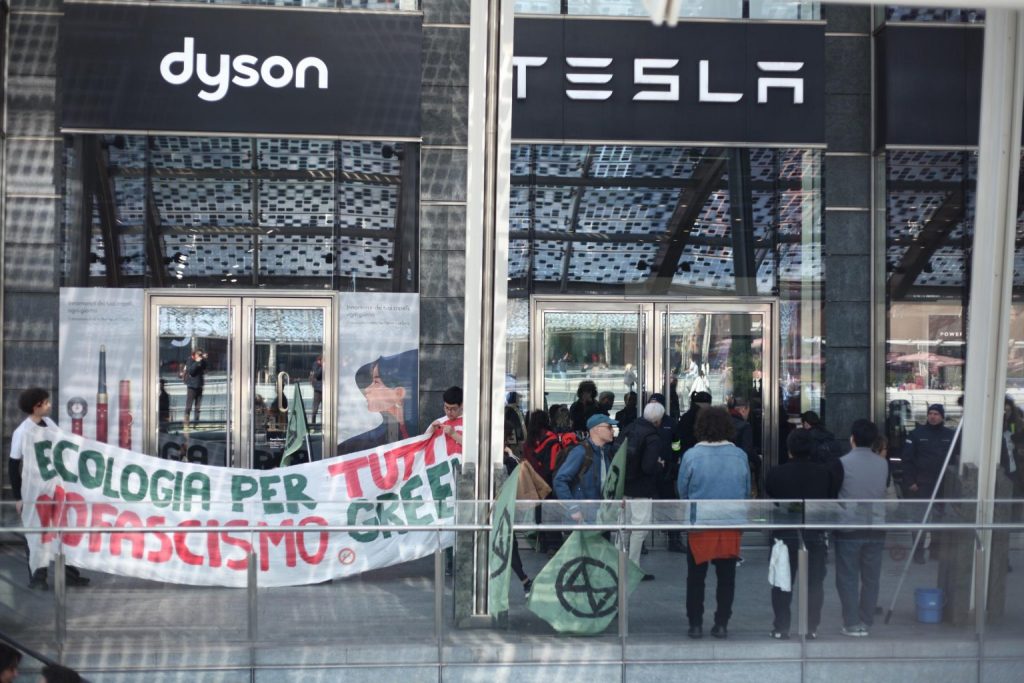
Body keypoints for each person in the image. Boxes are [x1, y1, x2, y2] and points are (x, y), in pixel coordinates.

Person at [677, 406, 750, 639]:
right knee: (726, 578)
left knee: (696, 578)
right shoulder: (740, 455)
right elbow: (746, 489)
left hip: (700, 522)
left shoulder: (691, 455)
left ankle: (695, 624)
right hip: (730, 522)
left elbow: (682, 490)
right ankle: (721, 623)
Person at [9, 388, 89, 590]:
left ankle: (68, 574)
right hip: (35, 491)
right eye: (45, 403)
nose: (49, 405)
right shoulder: (22, 431)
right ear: (36, 406)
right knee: (37, 532)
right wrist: (18, 497)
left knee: (62, 529)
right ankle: (38, 577)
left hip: (56, 486)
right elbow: (13, 464)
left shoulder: (49, 424)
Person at [765, 428, 835, 640]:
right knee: (814, 583)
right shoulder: (824, 473)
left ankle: (781, 627)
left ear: (789, 450)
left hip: (784, 535)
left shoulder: (776, 473)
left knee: (782, 581)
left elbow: (772, 497)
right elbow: (830, 498)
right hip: (815, 534)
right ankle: (811, 627)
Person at [834, 418, 888, 637]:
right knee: (871, 578)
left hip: (849, 527)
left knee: (847, 577)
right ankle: (866, 621)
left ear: (852, 439)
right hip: (876, 526)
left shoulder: (842, 463)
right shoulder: (883, 464)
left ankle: (852, 622)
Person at [903, 403, 957, 562]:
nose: (932, 416)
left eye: (936, 414)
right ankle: (918, 552)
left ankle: (935, 550)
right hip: (921, 484)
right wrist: (910, 481)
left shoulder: (951, 435)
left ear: (942, 416)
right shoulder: (916, 434)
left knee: (939, 519)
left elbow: (956, 459)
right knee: (920, 519)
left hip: (942, 485)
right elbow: (907, 460)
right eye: (930, 413)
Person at [337, 350, 418, 455]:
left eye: (376, 382)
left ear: (399, 393)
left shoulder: (413, 431)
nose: (367, 389)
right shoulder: (388, 434)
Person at [620, 401, 664, 579]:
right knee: (639, 529)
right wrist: (660, 465)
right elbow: (648, 467)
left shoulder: (628, 429)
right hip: (642, 489)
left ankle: (618, 565)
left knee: (623, 527)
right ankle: (633, 567)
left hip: (624, 486)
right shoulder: (653, 437)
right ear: (658, 420)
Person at [553, 414, 617, 522]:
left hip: (598, 516)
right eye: (609, 427)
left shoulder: (605, 453)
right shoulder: (580, 452)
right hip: (581, 519)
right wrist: (573, 508)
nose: (613, 430)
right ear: (597, 429)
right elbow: (560, 480)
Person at [182, 349, 208, 428]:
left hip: (199, 385)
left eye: (200, 354)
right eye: (198, 354)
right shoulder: (190, 359)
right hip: (191, 386)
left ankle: (196, 423)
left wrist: (204, 360)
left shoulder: (201, 360)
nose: (199, 356)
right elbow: (191, 371)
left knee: (198, 406)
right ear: (195, 354)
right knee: (189, 406)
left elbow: (205, 367)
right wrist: (196, 362)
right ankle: (186, 424)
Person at [309, 355, 324, 426]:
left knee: (325, 409)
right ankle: (313, 424)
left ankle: (323, 424)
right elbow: (317, 375)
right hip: (318, 390)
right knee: (315, 408)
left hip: (325, 390)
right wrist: (322, 366)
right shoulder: (316, 365)